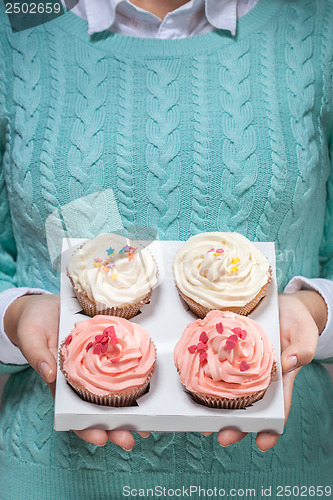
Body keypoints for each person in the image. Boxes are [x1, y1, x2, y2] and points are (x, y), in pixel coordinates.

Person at [0, 0, 333, 498]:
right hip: (51, 478)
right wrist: (15, 315)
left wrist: (317, 310)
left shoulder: (316, 26)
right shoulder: (15, 29)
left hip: (284, 477)